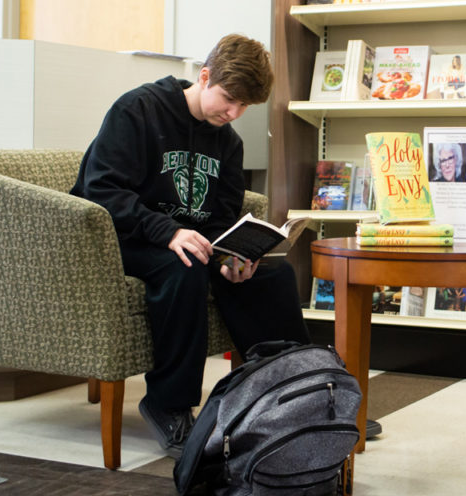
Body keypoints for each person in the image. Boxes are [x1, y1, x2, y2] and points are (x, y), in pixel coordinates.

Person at [70, 34, 314, 459]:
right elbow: (101, 191)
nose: (234, 113)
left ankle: (297, 399)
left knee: (273, 275)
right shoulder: (138, 110)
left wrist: (234, 256)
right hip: (119, 239)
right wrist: (166, 231)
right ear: (204, 76)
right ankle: (169, 404)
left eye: (245, 107)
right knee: (180, 267)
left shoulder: (228, 141)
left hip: (187, 243)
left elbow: (221, 219)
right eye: (229, 99)